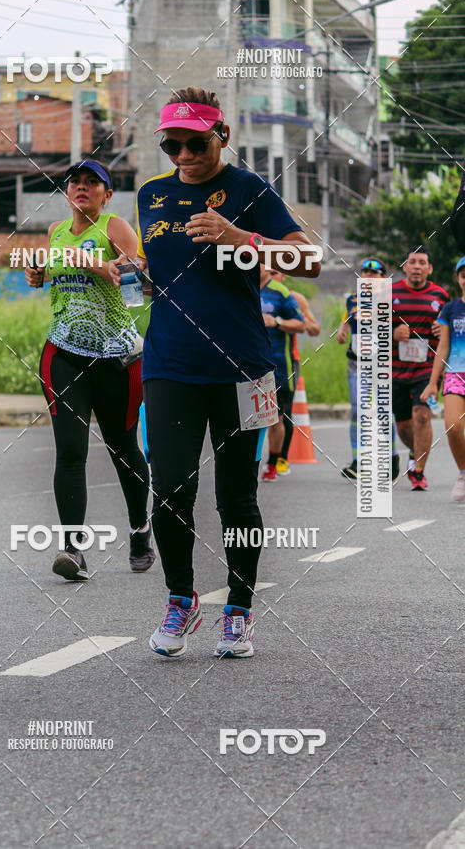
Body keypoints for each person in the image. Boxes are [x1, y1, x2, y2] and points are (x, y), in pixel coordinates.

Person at [135, 86, 320, 659]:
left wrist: (244, 239)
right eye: (172, 145)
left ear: (223, 137)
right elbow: (165, 276)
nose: (184, 155)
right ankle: (180, 598)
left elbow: (308, 260)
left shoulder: (249, 190)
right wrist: (135, 274)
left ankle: (238, 610)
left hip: (243, 366)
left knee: (236, 497)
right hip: (168, 362)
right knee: (169, 490)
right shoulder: (151, 196)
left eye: (195, 143)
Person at [25, 160, 154, 580]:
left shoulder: (116, 228)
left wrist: (93, 263)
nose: (82, 187)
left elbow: (136, 283)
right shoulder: (55, 233)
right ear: (67, 192)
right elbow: (54, 276)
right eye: (75, 182)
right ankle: (73, 550)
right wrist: (40, 273)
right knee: (70, 450)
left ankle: (139, 528)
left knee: (123, 448)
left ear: (106, 193)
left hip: (116, 357)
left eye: (92, 182)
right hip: (62, 353)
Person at [336, 258, 400, 482]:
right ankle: (359, 461)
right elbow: (347, 320)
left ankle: (392, 459)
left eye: (375, 272)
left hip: (381, 363)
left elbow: (401, 327)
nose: (369, 276)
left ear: (384, 277)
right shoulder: (352, 299)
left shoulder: (392, 298)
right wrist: (342, 330)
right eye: (365, 271)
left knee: (383, 411)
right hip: (356, 363)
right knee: (358, 410)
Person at [392, 246, 449, 490]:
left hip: (427, 367)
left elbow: (453, 329)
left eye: (422, 262)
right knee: (404, 425)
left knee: (422, 416)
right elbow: (373, 330)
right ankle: (416, 454)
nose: (417, 266)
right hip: (395, 369)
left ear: (429, 268)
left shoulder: (440, 296)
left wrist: (444, 329)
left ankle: (418, 471)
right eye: (412, 262)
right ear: (405, 266)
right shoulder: (389, 293)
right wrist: (393, 333)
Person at [268, 269, 320, 474]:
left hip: (288, 360)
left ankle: (282, 457)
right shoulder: (256, 294)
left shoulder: (294, 298)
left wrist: (294, 321)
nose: (272, 277)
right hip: (260, 361)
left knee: (283, 412)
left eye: (275, 273)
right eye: (268, 272)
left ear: (284, 276)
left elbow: (314, 328)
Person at [421, 256, 465, 501]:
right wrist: (432, 382)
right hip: (455, 373)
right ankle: (463, 473)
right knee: (453, 426)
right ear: (458, 279)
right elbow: (443, 347)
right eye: (463, 275)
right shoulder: (450, 309)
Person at [258, 267, 305, 482]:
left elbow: (301, 324)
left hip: (278, 365)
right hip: (245, 364)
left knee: (275, 419)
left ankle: (272, 463)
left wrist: (277, 322)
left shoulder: (280, 292)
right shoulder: (239, 287)